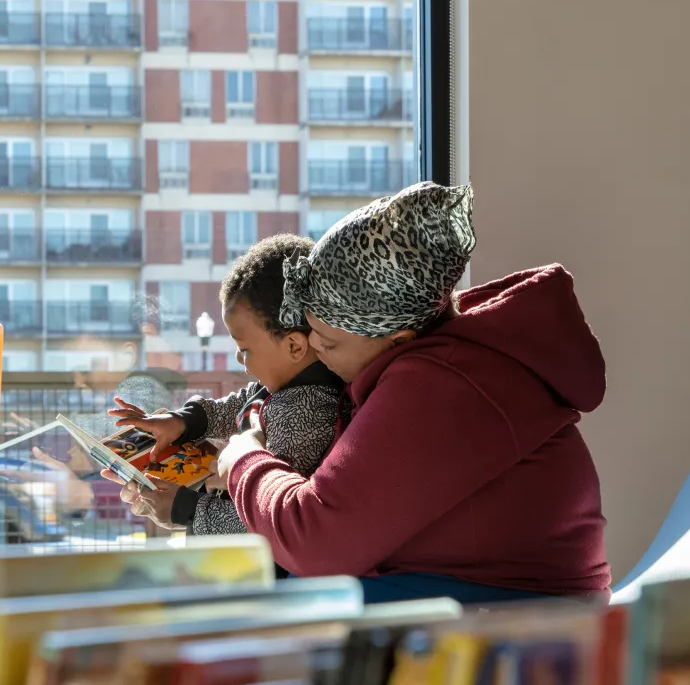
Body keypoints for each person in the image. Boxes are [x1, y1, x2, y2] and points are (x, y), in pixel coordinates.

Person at [130, 182, 611, 605]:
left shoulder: (440, 385)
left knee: (253, 613)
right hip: (482, 588)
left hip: (518, 607)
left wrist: (242, 458)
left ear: (396, 337)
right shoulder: (441, 366)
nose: (315, 350)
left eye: (330, 342)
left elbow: (314, 541)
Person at [108, 234, 344, 551]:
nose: (238, 358)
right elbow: (237, 407)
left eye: (244, 348)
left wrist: (186, 511)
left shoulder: (304, 416)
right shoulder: (281, 386)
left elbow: (268, 523)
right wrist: (181, 422)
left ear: (294, 346)